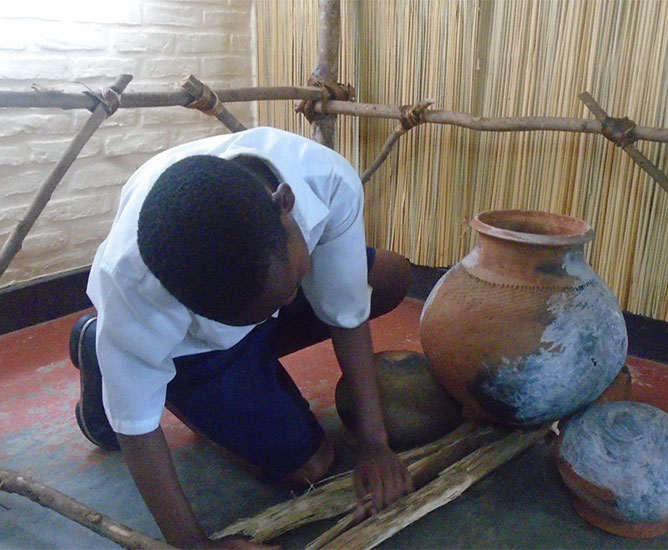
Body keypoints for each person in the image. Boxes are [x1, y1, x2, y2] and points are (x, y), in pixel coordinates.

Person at [69, 127, 414, 548]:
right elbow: (137, 425)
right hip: (196, 349)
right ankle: (121, 355)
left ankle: (212, 354)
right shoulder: (133, 284)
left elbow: (346, 311)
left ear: (285, 205)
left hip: (248, 293)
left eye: (284, 294)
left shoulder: (325, 181)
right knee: (307, 465)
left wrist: (374, 441)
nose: (279, 312)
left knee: (390, 276)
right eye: (261, 311)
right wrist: (194, 544)